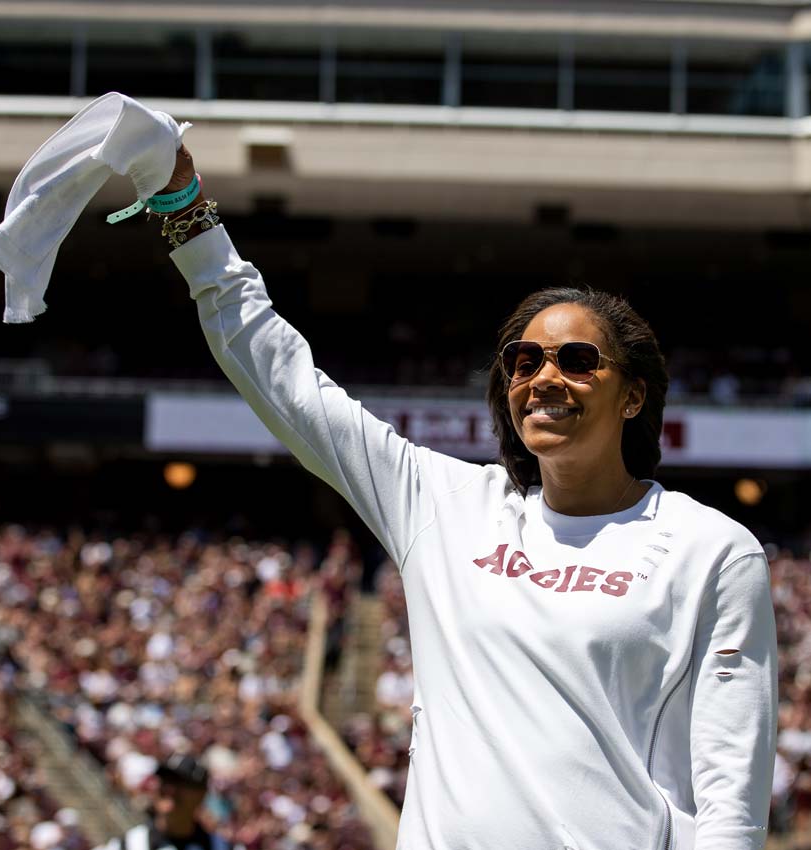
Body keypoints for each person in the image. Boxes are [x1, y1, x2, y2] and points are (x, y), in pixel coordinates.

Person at [155, 145, 778, 850]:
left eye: (578, 361)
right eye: (525, 359)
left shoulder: (714, 552)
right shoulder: (443, 505)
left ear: (634, 393)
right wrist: (185, 211)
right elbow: (286, 383)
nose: (545, 377)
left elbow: (732, 794)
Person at [94, 755, 227, 850]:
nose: (168, 789)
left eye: (180, 783)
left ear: (201, 794)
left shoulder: (222, 846)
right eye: (164, 780)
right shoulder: (127, 845)